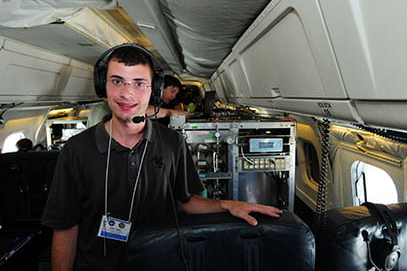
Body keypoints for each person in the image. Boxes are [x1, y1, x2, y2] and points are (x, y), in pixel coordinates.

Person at [41, 44, 281, 271]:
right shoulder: (76, 150)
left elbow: (185, 201)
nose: (126, 93)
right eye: (117, 81)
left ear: (153, 90)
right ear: (102, 86)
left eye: (139, 83)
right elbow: (65, 225)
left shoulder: (172, 143)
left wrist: (227, 205)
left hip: (160, 262)